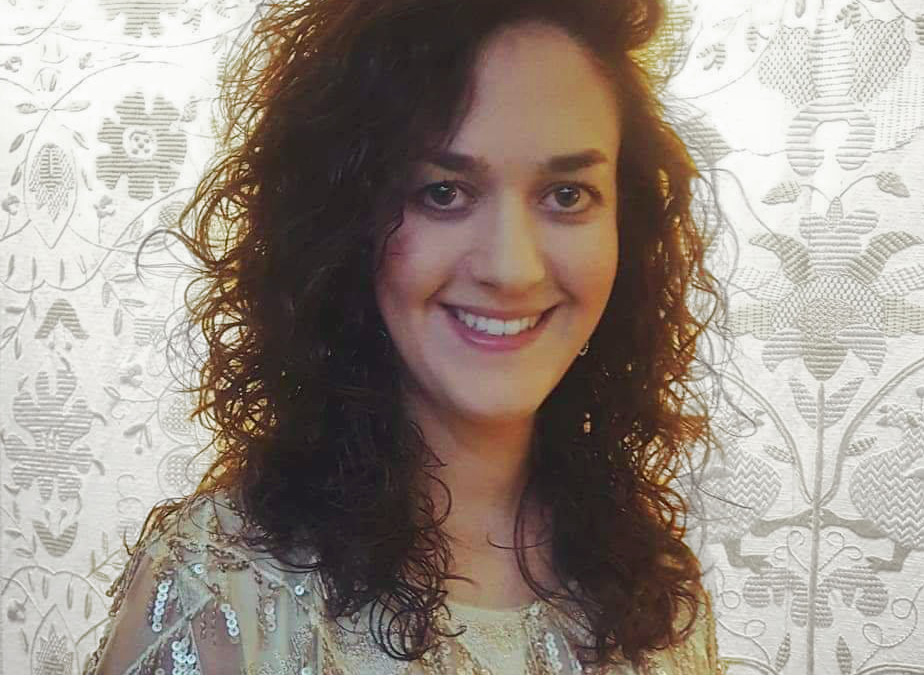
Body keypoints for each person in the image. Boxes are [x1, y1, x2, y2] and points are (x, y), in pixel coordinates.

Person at [82, 0, 730, 672]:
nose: (512, 268)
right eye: (444, 192)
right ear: (342, 225)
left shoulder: (657, 599)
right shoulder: (222, 592)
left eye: (567, 195)